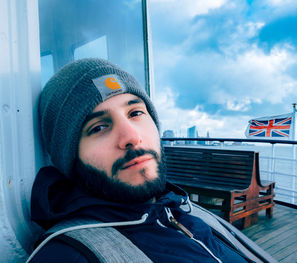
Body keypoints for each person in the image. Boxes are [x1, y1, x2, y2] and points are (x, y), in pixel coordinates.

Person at [28, 58, 274, 263]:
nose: (132, 137)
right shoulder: (68, 254)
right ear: (70, 157)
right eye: (98, 127)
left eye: (135, 113)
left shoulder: (185, 210)